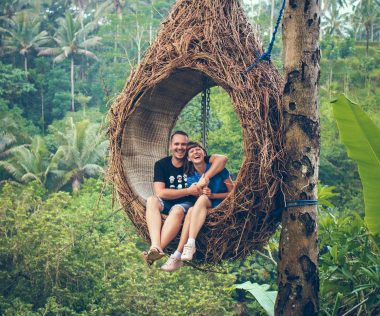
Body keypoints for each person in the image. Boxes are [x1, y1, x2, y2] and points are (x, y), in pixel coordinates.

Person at [143, 131, 228, 267]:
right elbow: (160, 192)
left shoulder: (194, 159)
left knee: (177, 210)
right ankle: (155, 246)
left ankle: (156, 251)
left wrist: (205, 178)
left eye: (184, 144)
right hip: (167, 202)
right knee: (152, 199)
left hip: (187, 204)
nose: (180, 147)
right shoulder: (162, 164)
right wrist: (189, 190)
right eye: (177, 144)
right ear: (170, 146)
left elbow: (222, 159)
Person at [161, 141, 234, 271]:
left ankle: (184, 248)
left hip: (222, 206)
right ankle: (183, 250)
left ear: (204, 153)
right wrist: (201, 189)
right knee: (195, 205)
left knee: (197, 205)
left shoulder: (219, 169)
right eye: (192, 151)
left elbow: (234, 194)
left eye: (198, 149)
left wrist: (212, 194)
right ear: (188, 159)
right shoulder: (190, 177)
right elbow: (196, 194)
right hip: (205, 207)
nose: (196, 152)